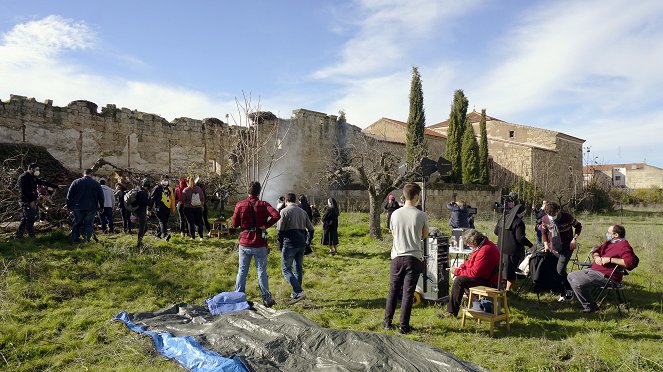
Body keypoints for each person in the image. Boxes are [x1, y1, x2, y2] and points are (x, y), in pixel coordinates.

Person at [383, 183, 428, 334]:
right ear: (416, 196)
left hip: (397, 256)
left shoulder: (395, 213)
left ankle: (387, 322)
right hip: (413, 257)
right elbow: (425, 235)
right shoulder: (421, 214)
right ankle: (403, 326)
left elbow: (393, 233)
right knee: (408, 293)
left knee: (393, 290)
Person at [567, 225, 639, 313]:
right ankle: (590, 302)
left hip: (607, 276)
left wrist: (610, 259)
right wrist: (597, 257)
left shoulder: (623, 246)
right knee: (570, 276)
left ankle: (590, 306)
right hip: (594, 271)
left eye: (609, 233)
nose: (607, 234)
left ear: (616, 235)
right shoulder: (609, 242)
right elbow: (596, 250)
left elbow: (630, 263)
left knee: (578, 282)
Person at [231, 181, 281, 307]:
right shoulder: (264, 205)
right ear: (259, 192)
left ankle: (238, 297)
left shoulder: (240, 205)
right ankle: (267, 299)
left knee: (242, 271)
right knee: (261, 272)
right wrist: (266, 226)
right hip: (260, 243)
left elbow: (234, 224)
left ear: (248, 191)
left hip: (245, 242)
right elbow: (276, 215)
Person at [438, 229, 500, 319]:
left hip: (490, 281)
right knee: (461, 278)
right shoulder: (481, 246)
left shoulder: (485, 250)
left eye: (468, 243)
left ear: (474, 241)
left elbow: (474, 273)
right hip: (485, 275)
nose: (467, 245)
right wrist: (461, 267)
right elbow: (471, 261)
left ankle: (451, 312)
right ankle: (473, 303)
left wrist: (456, 271)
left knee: (460, 280)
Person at [277, 193, 315, 305]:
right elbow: (311, 229)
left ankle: (299, 291)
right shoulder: (303, 212)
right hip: (301, 244)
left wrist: (280, 244)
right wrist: (308, 242)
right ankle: (296, 293)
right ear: (295, 201)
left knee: (285, 269)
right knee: (298, 268)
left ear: (286, 201)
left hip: (289, 244)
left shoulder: (284, 211)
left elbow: (280, 231)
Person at [541, 201, 582, 302]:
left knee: (560, 270)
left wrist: (574, 239)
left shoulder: (567, 217)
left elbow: (578, 226)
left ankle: (569, 289)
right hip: (554, 248)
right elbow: (544, 232)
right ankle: (562, 290)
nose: (552, 216)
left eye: (554, 214)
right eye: (550, 215)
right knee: (557, 271)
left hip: (567, 248)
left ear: (558, 211)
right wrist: (546, 244)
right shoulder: (545, 219)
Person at [494, 204, 533, 291]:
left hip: (500, 248)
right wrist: (531, 245)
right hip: (512, 251)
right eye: (524, 213)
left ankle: (500, 286)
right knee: (510, 271)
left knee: (501, 269)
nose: (524, 215)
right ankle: (507, 290)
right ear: (521, 213)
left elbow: (496, 231)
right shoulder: (519, 222)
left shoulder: (503, 218)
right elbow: (520, 238)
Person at [16, 163, 59, 239]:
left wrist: (55, 186)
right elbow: (23, 191)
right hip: (27, 201)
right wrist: (30, 201)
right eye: (37, 170)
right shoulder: (24, 177)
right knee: (30, 219)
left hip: (32, 200)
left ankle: (19, 236)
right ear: (31, 169)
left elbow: (42, 182)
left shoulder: (33, 177)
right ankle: (31, 237)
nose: (38, 171)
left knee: (25, 219)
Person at [66, 169, 104, 243]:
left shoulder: (76, 182)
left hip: (78, 207)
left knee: (77, 223)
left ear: (83, 174)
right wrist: (101, 207)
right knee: (89, 224)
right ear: (91, 174)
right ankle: (86, 240)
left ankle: (74, 239)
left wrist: (69, 206)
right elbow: (101, 197)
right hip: (91, 207)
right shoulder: (96, 183)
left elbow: (69, 196)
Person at [149, 175, 175, 241]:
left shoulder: (169, 189)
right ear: (161, 180)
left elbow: (172, 198)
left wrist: (173, 207)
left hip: (167, 208)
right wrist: (149, 209)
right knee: (162, 221)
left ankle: (157, 235)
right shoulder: (157, 188)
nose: (166, 181)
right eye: (164, 180)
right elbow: (152, 199)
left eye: (167, 180)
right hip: (159, 208)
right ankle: (165, 235)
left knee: (163, 222)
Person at [133, 178, 151, 247]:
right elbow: (145, 203)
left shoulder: (140, 191)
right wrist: (150, 201)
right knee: (142, 227)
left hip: (138, 211)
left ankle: (140, 241)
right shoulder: (144, 193)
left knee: (145, 227)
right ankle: (139, 243)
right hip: (141, 212)